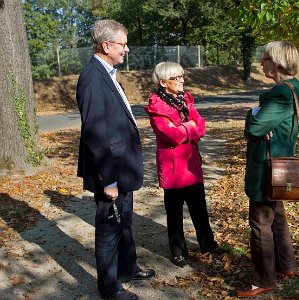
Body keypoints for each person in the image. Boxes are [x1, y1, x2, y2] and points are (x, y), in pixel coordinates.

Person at [76, 19, 155, 300]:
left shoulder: (107, 72)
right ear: (106, 45)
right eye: (123, 44)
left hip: (123, 167)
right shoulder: (92, 77)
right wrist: (107, 179)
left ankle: (127, 267)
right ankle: (109, 288)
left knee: (124, 222)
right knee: (109, 229)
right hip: (110, 172)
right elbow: (96, 133)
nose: (127, 49)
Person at [236, 41, 299, 298]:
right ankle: (286, 265)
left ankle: (264, 279)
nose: (260, 63)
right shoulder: (293, 88)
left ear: (275, 62)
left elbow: (254, 128)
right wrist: (261, 117)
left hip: (267, 168)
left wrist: (253, 115)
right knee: (277, 217)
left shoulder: (281, 92)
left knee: (260, 223)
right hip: (281, 165)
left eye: (263, 58)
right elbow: (264, 125)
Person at [144, 62, 218, 268]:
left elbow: (201, 125)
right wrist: (189, 127)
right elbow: (170, 135)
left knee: (200, 209)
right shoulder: (157, 105)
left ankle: (208, 244)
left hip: (191, 163)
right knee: (174, 213)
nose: (182, 80)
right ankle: (178, 250)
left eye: (182, 76)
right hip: (173, 168)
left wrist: (185, 127)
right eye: (176, 78)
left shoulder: (185, 99)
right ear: (163, 82)